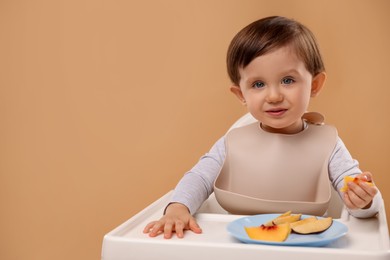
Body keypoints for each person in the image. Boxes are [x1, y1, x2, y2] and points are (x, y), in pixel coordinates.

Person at [143, 16, 382, 239]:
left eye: (288, 80)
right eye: (258, 84)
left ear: (315, 85)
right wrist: (177, 208)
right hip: (237, 245)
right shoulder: (232, 143)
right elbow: (199, 178)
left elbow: (355, 194)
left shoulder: (328, 145)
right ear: (241, 94)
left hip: (306, 247)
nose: (274, 96)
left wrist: (362, 202)